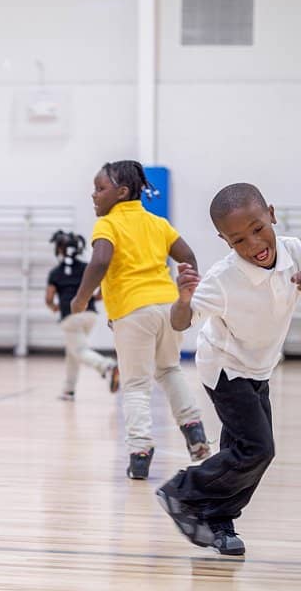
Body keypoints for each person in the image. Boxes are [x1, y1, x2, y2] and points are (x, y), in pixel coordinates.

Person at [157, 183, 301, 556]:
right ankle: (181, 491)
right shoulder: (223, 279)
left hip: (260, 366)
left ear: (271, 213)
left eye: (257, 228)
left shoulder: (293, 252)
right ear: (226, 242)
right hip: (224, 367)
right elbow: (179, 323)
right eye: (238, 240)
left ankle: (220, 521)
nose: (254, 244)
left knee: (244, 449)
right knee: (257, 449)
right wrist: (183, 299)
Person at [71, 160, 210, 480]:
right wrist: (186, 281)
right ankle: (195, 434)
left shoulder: (108, 224)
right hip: (168, 306)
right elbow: (187, 256)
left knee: (135, 385)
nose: (94, 195)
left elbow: (101, 259)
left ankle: (139, 452)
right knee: (170, 370)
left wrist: (80, 299)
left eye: (100, 188)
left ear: (121, 193)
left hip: (134, 312)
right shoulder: (157, 222)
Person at [45, 229, 119, 401]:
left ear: (60, 249)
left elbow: (49, 298)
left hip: (70, 317)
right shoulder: (87, 268)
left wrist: (54, 306)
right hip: (90, 316)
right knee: (73, 352)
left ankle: (106, 366)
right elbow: (102, 288)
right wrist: (95, 297)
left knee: (79, 350)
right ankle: (68, 390)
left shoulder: (56, 273)